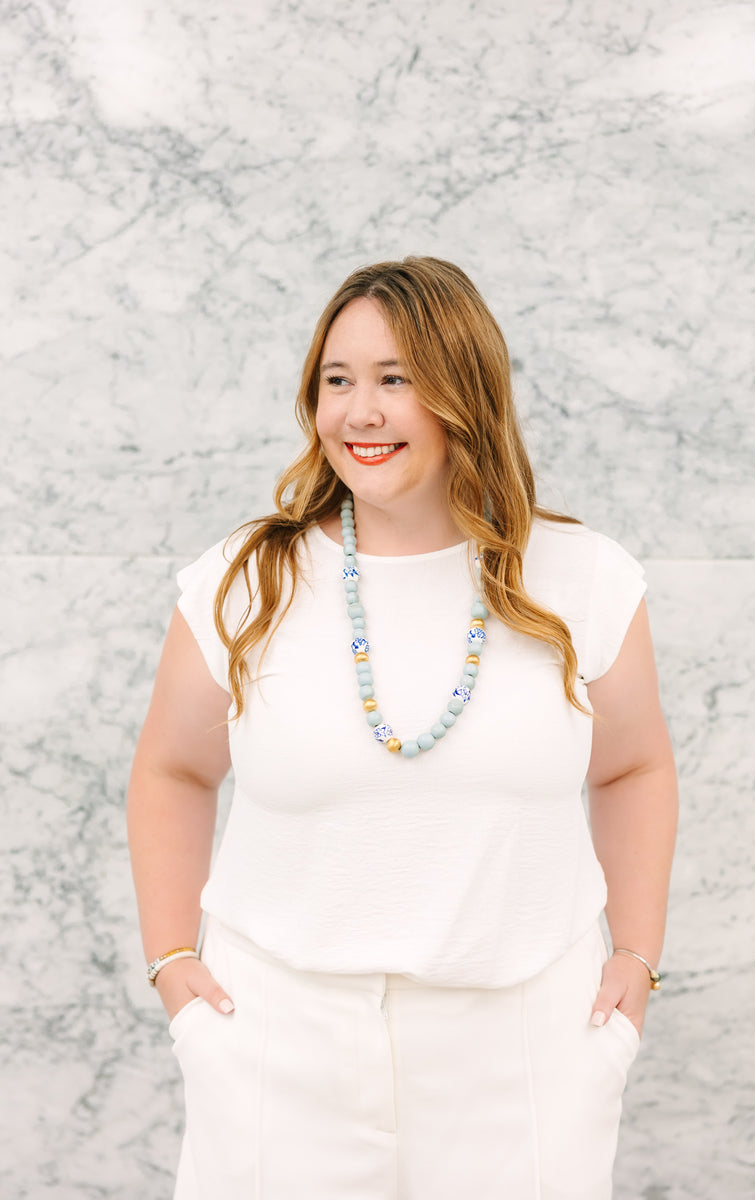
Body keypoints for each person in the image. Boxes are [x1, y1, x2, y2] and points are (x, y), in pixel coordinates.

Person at [127, 256, 678, 1200]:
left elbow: (633, 771)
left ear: (466, 392)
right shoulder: (242, 582)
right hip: (278, 1044)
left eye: (396, 380)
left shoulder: (583, 578)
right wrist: (176, 967)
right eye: (337, 381)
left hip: (522, 1048)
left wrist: (634, 961)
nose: (359, 413)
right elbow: (172, 772)